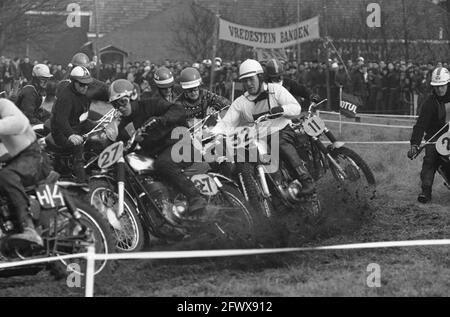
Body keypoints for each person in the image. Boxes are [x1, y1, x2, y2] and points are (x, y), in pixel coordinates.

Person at [109, 79, 212, 222]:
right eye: (115, 104)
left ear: (132, 96)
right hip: (161, 153)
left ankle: (196, 197)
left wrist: (162, 119)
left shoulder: (151, 104)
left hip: (181, 143)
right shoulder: (125, 126)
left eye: (122, 102)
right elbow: (120, 145)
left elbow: (178, 110)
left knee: (163, 164)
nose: (120, 107)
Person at [212, 59, 316, 197]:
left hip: (281, 131)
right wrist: (212, 134)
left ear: (260, 77)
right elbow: (226, 123)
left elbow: (295, 108)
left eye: (251, 79)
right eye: (244, 81)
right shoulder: (241, 102)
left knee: (279, 143)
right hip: (259, 139)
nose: (248, 84)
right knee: (245, 156)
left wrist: (282, 109)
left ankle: (306, 180)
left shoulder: (275, 90)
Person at [0, 98, 50, 246]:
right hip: (12, 161)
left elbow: (19, 123)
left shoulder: (3, 105)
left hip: (32, 156)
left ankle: (28, 226)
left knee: (6, 175)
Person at [408, 67, 450, 203]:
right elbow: (420, 125)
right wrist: (415, 144)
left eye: (442, 86)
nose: (439, 89)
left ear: (448, 83)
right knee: (430, 160)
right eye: (436, 86)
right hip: (435, 138)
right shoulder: (429, 103)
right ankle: (425, 192)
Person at [49, 66, 94, 182]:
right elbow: (61, 120)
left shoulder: (82, 94)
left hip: (76, 125)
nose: (85, 87)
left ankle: (93, 169)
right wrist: (70, 135)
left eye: (86, 84)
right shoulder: (66, 97)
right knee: (78, 145)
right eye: (82, 84)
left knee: (98, 135)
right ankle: (81, 181)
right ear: (74, 82)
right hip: (61, 132)